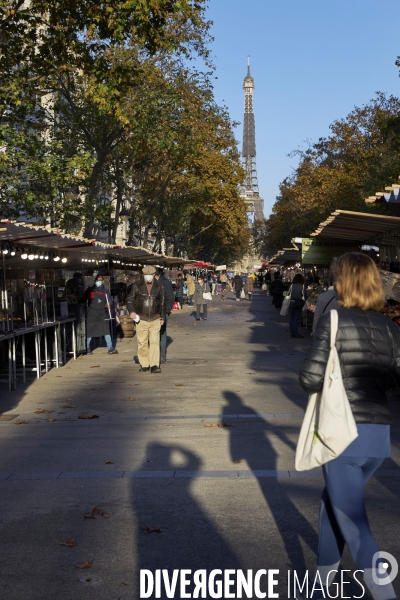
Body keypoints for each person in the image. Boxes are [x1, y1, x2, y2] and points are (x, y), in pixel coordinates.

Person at [298, 253, 400, 600]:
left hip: (342, 436)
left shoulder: (333, 319)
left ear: (344, 282)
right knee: (334, 503)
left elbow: (310, 379)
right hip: (377, 437)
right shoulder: (389, 326)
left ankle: (384, 593)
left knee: (355, 524)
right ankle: (320, 584)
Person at [126, 265, 165, 373]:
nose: (148, 277)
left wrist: (162, 317)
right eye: (146, 275)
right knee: (142, 342)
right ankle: (144, 364)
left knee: (154, 342)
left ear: (154, 275)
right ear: (143, 275)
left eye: (150, 275)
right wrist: (132, 311)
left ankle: (154, 365)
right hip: (141, 319)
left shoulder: (159, 286)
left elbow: (162, 302)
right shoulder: (136, 286)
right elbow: (130, 300)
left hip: (155, 318)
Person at [79, 274, 118, 355]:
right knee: (90, 331)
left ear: (103, 281)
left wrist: (109, 304)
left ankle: (110, 347)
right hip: (91, 313)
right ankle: (87, 348)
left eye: (100, 280)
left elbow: (110, 301)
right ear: (95, 281)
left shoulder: (105, 291)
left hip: (102, 313)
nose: (99, 281)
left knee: (106, 330)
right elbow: (82, 300)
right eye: (97, 280)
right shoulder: (90, 290)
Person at [312, 260, 340, 335]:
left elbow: (317, 317)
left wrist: (315, 332)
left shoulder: (322, 297)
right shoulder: (348, 297)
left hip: (325, 331)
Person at [154, 268, 174, 364]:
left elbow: (170, 297)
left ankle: (162, 355)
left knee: (162, 333)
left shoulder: (165, 282)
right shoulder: (151, 283)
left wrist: (166, 311)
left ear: (155, 274)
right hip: (152, 312)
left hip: (162, 312)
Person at [289, 273, 306, 338]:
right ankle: (296, 333)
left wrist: (284, 298)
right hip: (298, 303)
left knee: (291, 318)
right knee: (296, 319)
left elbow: (286, 293)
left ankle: (292, 333)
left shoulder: (291, 285)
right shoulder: (303, 286)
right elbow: (305, 296)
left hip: (291, 302)